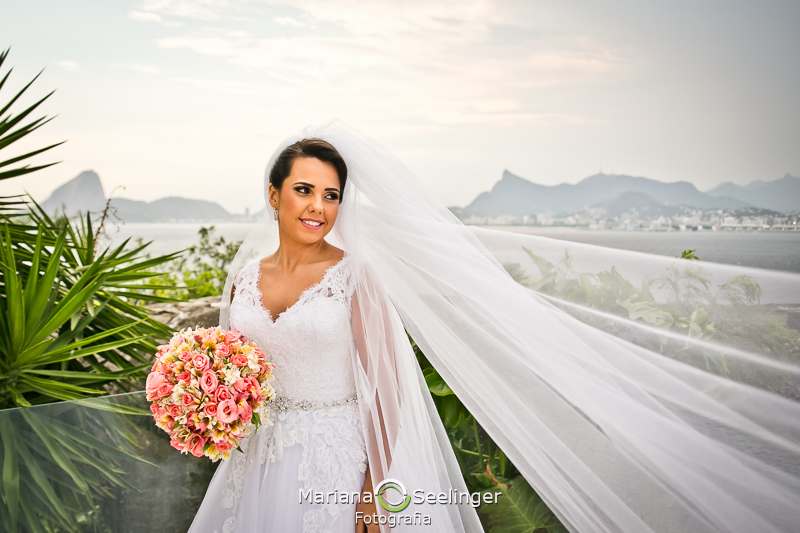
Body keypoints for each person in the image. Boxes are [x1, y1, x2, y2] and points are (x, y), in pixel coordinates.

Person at [189, 120, 800, 533]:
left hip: (336, 457)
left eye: (332, 195)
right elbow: (232, 364)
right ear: (274, 195)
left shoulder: (355, 277)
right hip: (257, 455)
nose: (319, 207)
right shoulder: (244, 279)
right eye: (304, 190)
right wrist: (196, 398)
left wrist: (375, 484)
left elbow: (389, 388)